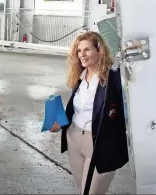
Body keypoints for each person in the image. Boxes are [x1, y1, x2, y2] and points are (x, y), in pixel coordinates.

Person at [50, 31, 129, 194]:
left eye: (87, 50)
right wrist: (59, 123)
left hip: (100, 142)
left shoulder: (113, 78)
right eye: (79, 51)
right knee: (82, 189)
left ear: (99, 50)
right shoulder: (79, 77)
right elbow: (77, 110)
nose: (82, 55)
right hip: (74, 137)